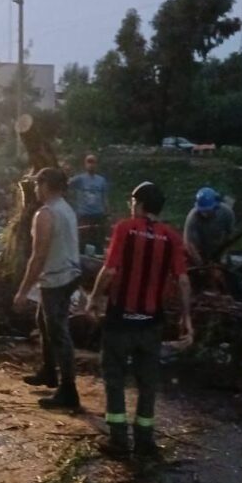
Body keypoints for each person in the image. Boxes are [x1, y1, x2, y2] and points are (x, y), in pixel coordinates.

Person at [87, 182, 193, 459]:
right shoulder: (171, 237)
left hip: (121, 319)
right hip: (151, 323)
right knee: (147, 382)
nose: (130, 205)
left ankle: (119, 440)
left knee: (114, 378)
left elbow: (109, 270)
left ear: (140, 203)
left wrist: (95, 297)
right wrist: (187, 319)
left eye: (132, 200)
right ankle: (145, 441)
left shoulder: (125, 228)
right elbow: (182, 280)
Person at [13, 167, 83, 410]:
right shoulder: (66, 208)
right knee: (43, 322)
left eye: (36, 184)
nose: (34, 189)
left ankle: (68, 390)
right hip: (69, 273)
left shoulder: (45, 214)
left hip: (57, 278)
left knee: (58, 332)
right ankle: (48, 371)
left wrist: (23, 290)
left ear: (44, 186)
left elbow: (38, 256)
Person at [183, 187, 235, 291]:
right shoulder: (193, 217)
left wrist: (223, 259)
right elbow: (190, 244)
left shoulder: (226, 213)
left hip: (218, 249)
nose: (205, 214)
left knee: (228, 280)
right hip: (199, 252)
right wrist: (202, 265)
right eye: (203, 211)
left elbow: (230, 237)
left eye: (208, 211)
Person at [68, 154, 109, 255]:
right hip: (83, 214)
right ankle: (81, 257)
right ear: (85, 164)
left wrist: (107, 211)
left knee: (98, 239)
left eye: (93, 162)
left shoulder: (101, 180)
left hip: (98, 213)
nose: (91, 165)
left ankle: (98, 257)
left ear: (96, 164)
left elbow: (105, 197)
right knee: (82, 238)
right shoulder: (79, 179)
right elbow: (66, 185)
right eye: (89, 162)